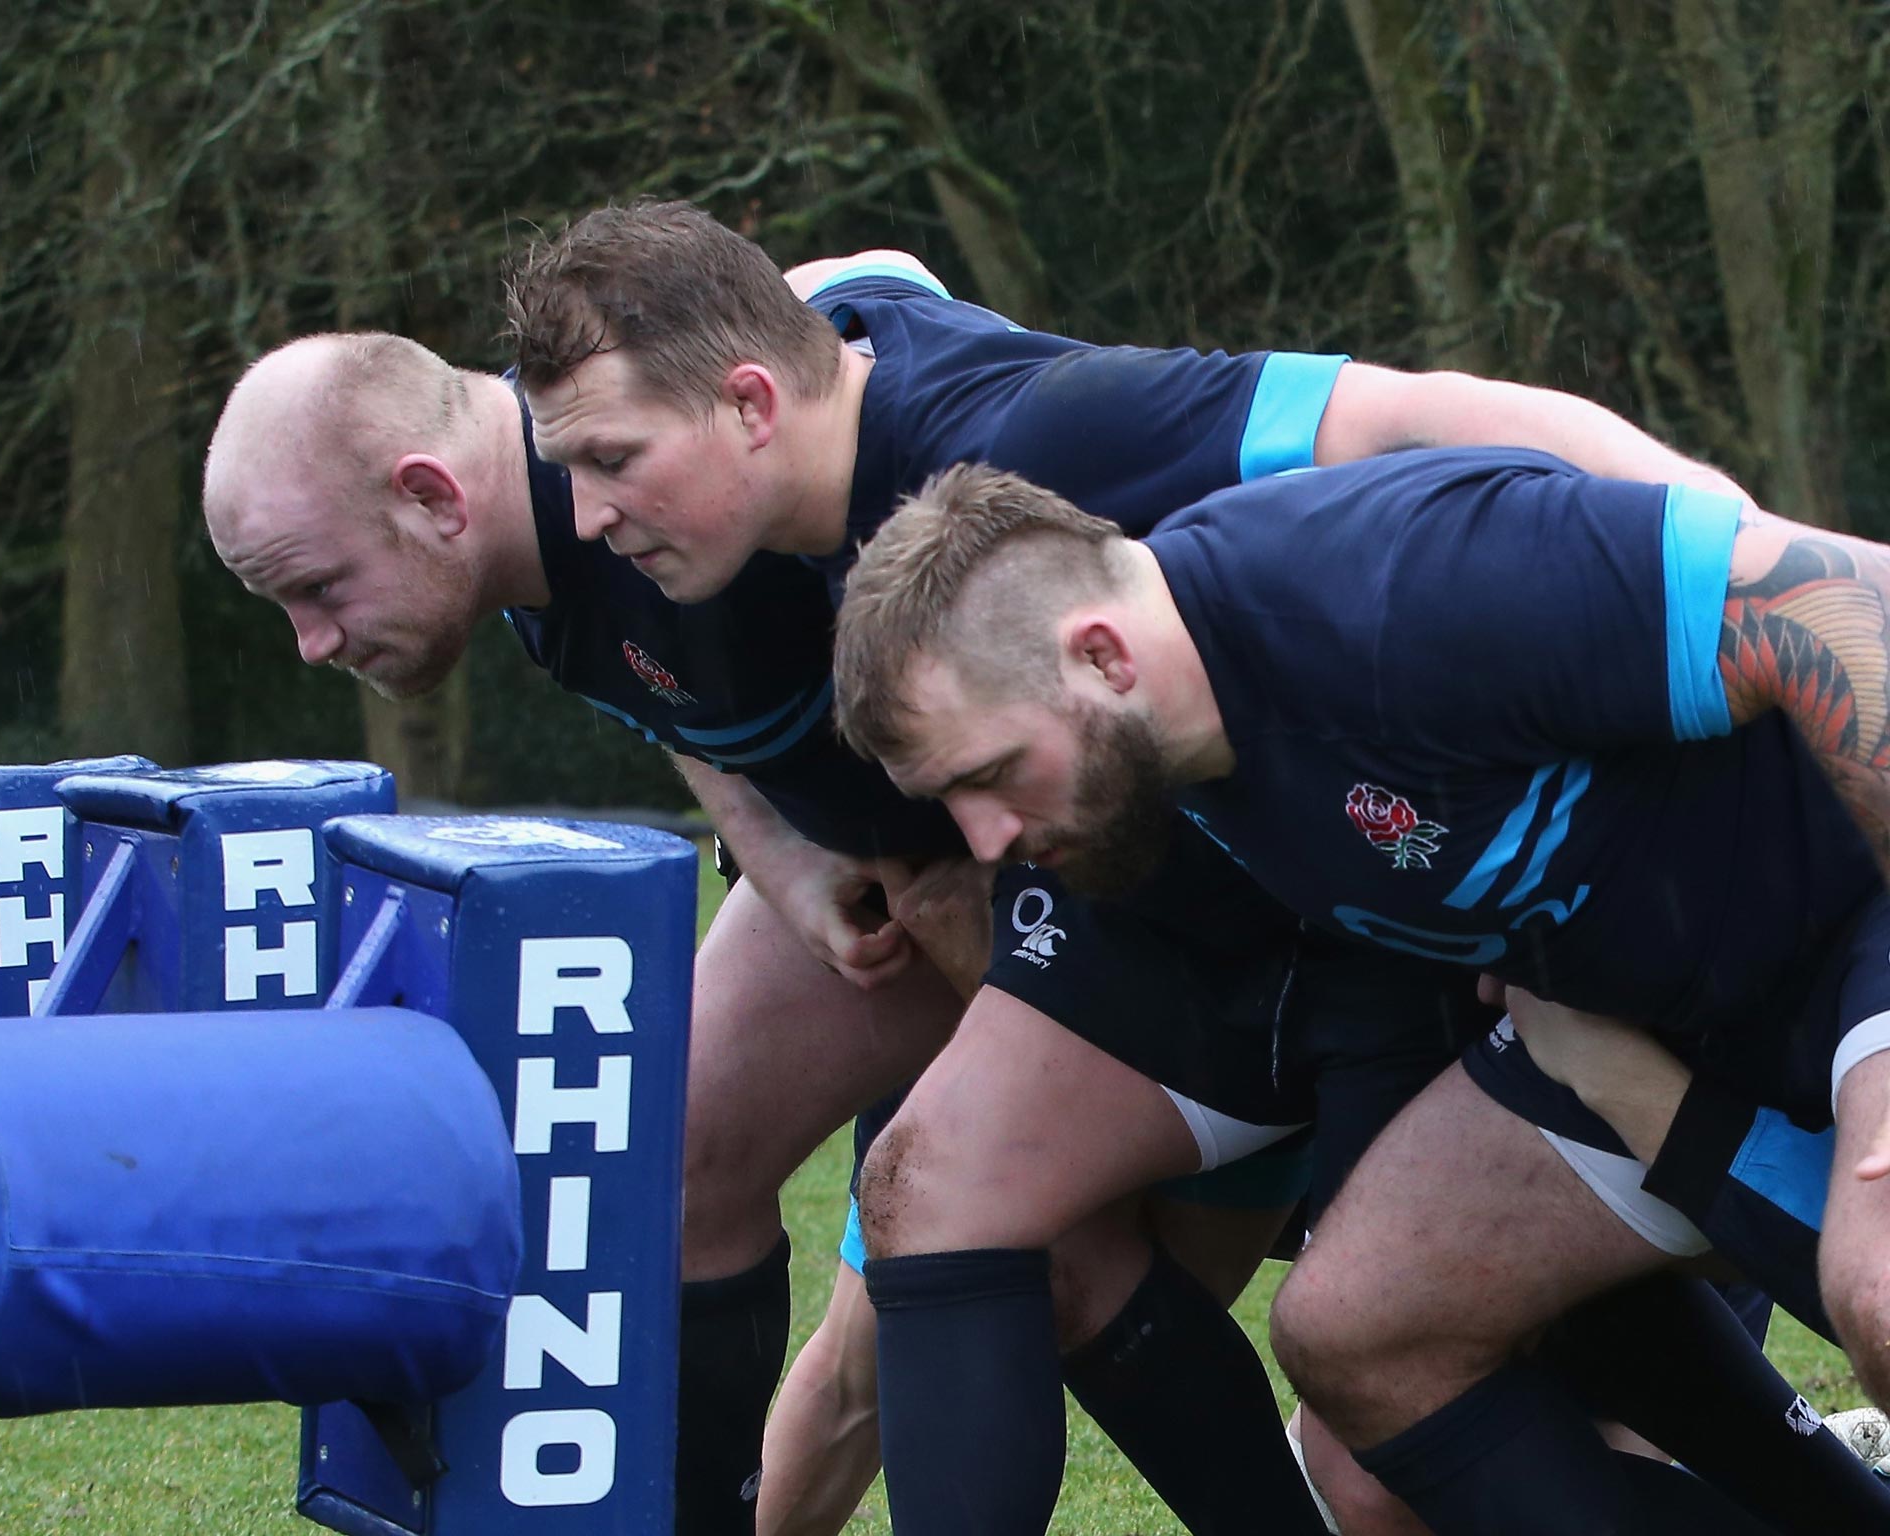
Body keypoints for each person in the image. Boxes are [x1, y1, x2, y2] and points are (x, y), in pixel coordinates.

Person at [503, 201, 1863, 1533]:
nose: (588, 512)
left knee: (1573, 1363)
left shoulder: (1159, 489)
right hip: (1411, 953)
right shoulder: (820, 576)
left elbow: (1434, 428)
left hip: (1653, 941)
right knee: (1046, 1225)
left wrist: (1699, 538)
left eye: (613, 459)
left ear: (749, 403)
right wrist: (780, 853)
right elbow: (867, 270)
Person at [201, 327, 1333, 1536]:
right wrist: (780, 851)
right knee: (675, 1167)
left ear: (431, 496)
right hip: (920, 891)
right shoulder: (541, 557)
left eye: (317, 589)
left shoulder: (681, 462)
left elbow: (883, 328)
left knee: (1048, 1254)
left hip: (1181, 895)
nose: (311, 644)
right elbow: (677, 703)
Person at [827, 452, 1890, 1533]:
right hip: (1627, 1014)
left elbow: (1847, 599)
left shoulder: (1396, 582)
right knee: (1359, 1329)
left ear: (1099, 656)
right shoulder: (1160, 761)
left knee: (1880, 1281)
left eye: (989, 775)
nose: (986, 839)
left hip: (1853, 922)